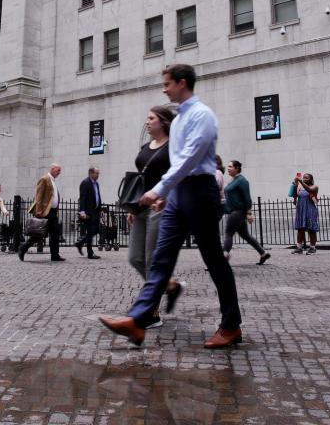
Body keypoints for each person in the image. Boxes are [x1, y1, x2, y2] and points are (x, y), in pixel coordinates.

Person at [99, 64, 243, 349]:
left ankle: (231, 325)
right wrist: (168, 193)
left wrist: (158, 189)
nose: (164, 89)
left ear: (182, 83)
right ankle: (138, 321)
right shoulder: (177, 121)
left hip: (200, 190)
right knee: (160, 259)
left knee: (213, 259)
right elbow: (177, 162)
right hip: (179, 193)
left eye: (167, 84)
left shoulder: (203, 115)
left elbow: (190, 158)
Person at [127, 105, 184, 329]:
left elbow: (179, 175)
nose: (147, 122)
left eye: (151, 118)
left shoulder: (173, 147)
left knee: (152, 260)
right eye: (147, 118)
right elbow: (141, 178)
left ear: (163, 122)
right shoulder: (145, 146)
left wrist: (167, 197)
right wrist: (133, 208)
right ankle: (169, 285)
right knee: (135, 258)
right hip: (141, 206)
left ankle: (152, 312)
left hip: (161, 207)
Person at [222, 161, 270, 264]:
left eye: (230, 167)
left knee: (228, 233)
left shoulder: (242, 181)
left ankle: (224, 255)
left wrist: (249, 213)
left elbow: (247, 198)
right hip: (237, 212)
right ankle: (263, 253)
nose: (228, 168)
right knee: (245, 235)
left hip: (237, 212)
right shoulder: (234, 180)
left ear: (237, 168)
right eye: (228, 167)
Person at [19, 164, 65, 262]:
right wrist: (39, 210)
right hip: (45, 212)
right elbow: (38, 196)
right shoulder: (44, 179)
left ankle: (55, 255)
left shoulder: (53, 181)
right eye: (58, 170)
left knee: (55, 233)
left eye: (60, 170)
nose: (59, 172)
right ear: (52, 169)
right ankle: (23, 248)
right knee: (38, 234)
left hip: (52, 212)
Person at [75, 167, 103, 259]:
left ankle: (80, 243)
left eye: (98, 173)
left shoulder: (97, 184)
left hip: (95, 212)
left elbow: (97, 197)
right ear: (91, 173)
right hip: (88, 213)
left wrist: (100, 210)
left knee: (97, 230)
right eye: (96, 173)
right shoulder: (85, 183)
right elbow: (82, 198)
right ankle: (90, 253)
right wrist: (82, 211)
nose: (98, 175)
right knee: (91, 232)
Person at [293, 173, 320, 254]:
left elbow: (309, 190)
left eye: (306, 178)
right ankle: (299, 248)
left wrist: (301, 182)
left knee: (311, 229)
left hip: (310, 209)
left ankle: (312, 248)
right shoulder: (300, 187)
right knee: (300, 229)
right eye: (303, 177)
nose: (304, 179)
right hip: (301, 210)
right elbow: (295, 196)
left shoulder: (314, 187)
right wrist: (295, 185)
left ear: (311, 179)